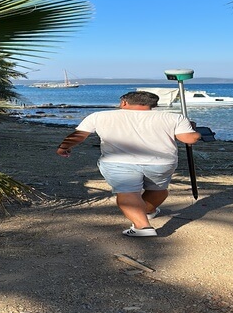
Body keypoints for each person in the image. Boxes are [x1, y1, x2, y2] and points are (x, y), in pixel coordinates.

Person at [56, 90, 200, 237]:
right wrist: (193, 130)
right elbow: (189, 139)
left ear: (124, 102)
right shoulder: (173, 117)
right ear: (154, 105)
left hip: (118, 162)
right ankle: (147, 211)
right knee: (158, 190)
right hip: (161, 163)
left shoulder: (100, 116)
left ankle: (142, 227)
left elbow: (79, 135)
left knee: (128, 192)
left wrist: (64, 147)